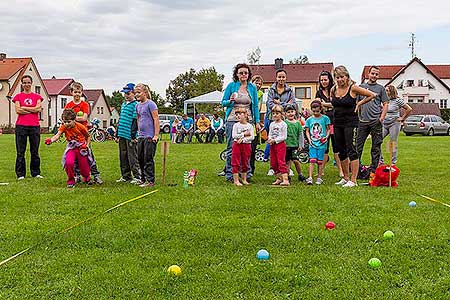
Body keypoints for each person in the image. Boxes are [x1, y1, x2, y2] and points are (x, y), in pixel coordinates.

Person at [331, 66, 376, 187]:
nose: (340, 79)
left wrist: (359, 103)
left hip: (351, 123)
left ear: (347, 77)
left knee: (351, 149)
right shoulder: (333, 89)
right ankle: (345, 178)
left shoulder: (353, 88)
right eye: (337, 77)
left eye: (342, 77)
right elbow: (334, 104)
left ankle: (353, 180)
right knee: (341, 151)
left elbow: (372, 95)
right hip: (337, 123)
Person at [221, 63, 261, 182]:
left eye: (246, 73)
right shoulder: (231, 86)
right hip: (232, 120)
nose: (244, 75)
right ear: (237, 74)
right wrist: (230, 101)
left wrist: (257, 122)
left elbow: (255, 107)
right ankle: (230, 174)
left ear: (248, 75)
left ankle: (245, 174)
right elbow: (223, 102)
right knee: (232, 148)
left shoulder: (252, 87)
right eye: (241, 73)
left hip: (248, 121)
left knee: (246, 148)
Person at [65, 82, 103, 184]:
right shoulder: (68, 105)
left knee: (89, 155)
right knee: (75, 157)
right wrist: (71, 121)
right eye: (75, 92)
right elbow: (65, 118)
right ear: (71, 93)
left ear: (82, 93)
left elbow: (84, 118)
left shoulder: (84, 105)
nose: (77, 94)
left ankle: (96, 175)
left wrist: (72, 119)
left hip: (84, 135)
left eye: (79, 92)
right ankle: (77, 175)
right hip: (72, 136)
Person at [45, 109, 91, 188]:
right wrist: (51, 140)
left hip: (81, 148)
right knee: (68, 163)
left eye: (69, 121)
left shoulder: (80, 127)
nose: (66, 124)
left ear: (74, 120)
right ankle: (71, 180)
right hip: (71, 147)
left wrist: (86, 145)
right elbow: (58, 135)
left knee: (84, 166)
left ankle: (87, 178)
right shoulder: (64, 127)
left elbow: (88, 136)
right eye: (64, 121)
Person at [356, 66, 389, 173]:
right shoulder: (361, 87)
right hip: (362, 121)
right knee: (358, 146)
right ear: (368, 74)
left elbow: (385, 103)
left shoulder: (381, 88)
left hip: (375, 121)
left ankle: (374, 169)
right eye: (372, 73)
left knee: (376, 147)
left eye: (376, 74)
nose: (374, 76)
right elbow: (356, 103)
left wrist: (382, 118)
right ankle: (357, 168)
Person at [265, 69, 296, 174]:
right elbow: (269, 103)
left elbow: (293, 105)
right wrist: (284, 104)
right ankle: (272, 167)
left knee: (284, 143)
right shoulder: (271, 90)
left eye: (283, 77)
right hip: (272, 118)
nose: (281, 79)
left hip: (285, 120)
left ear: (286, 78)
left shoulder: (290, 90)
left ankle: (287, 166)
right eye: (279, 77)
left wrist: (279, 103)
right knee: (272, 141)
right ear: (276, 78)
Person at [13, 75, 44, 180]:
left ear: (31, 83)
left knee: (34, 151)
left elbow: (38, 109)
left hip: (34, 126)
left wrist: (25, 108)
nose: (26, 85)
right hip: (21, 126)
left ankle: (36, 173)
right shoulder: (18, 96)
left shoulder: (37, 97)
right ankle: (20, 174)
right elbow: (18, 110)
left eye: (28, 82)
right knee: (20, 151)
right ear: (22, 84)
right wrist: (33, 109)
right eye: (24, 83)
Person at [315, 71, 344, 177]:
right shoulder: (318, 92)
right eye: (322, 80)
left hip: (335, 121)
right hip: (324, 123)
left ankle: (341, 170)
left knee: (336, 147)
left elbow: (336, 105)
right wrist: (327, 105)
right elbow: (317, 105)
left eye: (325, 79)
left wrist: (325, 104)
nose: (323, 82)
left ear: (330, 80)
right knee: (324, 147)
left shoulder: (335, 90)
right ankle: (321, 171)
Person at [115, 83, 141, 184]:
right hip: (122, 133)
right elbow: (121, 119)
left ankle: (137, 176)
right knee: (123, 155)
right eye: (125, 93)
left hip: (130, 135)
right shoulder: (123, 104)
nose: (126, 95)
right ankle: (126, 176)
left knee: (132, 156)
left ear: (134, 93)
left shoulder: (135, 105)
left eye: (128, 93)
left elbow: (135, 120)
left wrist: (133, 135)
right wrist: (117, 134)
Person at [379, 85, 412, 165]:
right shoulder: (384, 100)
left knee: (392, 142)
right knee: (377, 140)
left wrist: (402, 118)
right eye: (385, 90)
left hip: (394, 123)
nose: (385, 92)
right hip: (384, 123)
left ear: (391, 91)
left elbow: (409, 109)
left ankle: (392, 163)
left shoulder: (398, 100)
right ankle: (381, 161)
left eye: (387, 90)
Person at [135, 83, 159, 187]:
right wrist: (138, 133)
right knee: (140, 158)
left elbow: (156, 119)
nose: (137, 94)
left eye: (139, 92)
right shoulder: (137, 105)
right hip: (141, 136)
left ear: (145, 93)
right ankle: (143, 179)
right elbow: (139, 119)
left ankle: (150, 181)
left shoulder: (151, 104)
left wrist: (156, 135)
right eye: (135, 93)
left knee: (148, 159)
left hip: (150, 136)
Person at [305, 101, 331, 185]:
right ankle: (310, 177)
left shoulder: (325, 118)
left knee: (320, 161)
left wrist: (326, 137)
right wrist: (309, 140)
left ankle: (319, 177)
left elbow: (328, 129)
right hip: (312, 143)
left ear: (321, 109)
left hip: (322, 144)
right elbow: (307, 131)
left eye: (317, 111)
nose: (316, 113)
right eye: (314, 111)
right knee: (312, 160)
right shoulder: (309, 120)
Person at [231, 107, 255, 186]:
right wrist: (244, 134)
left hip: (247, 145)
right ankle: (236, 180)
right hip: (237, 145)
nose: (238, 116)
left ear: (245, 115)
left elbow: (252, 137)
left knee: (245, 162)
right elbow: (234, 135)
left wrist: (243, 140)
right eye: (236, 114)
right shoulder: (236, 125)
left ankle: (244, 179)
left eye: (240, 114)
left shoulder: (250, 126)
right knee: (236, 162)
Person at [267, 104, 289, 186]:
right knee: (273, 162)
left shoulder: (283, 124)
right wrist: (269, 139)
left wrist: (275, 140)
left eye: (277, 113)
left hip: (280, 145)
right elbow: (270, 133)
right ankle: (279, 178)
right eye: (273, 113)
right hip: (272, 145)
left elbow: (284, 136)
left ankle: (285, 179)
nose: (275, 115)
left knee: (281, 161)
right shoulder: (272, 124)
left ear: (281, 114)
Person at [284, 104, 306, 182]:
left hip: (295, 146)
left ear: (295, 112)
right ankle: (287, 175)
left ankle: (300, 174)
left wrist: (301, 145)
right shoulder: (284, 123)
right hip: (286, 146)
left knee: (296, 160)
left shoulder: (298, 123)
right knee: (287, 161)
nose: (290, 113)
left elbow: (300, 135)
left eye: (292, 111)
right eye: (288, 112)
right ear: (285, 114)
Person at [249, 75, 265, 177]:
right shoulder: (247, 90)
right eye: (256, 83)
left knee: (253, 146)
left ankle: (251, 169)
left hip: (255, 120)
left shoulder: (260, 93)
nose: (258, 85)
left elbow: (258, 107)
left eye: (260, 84)